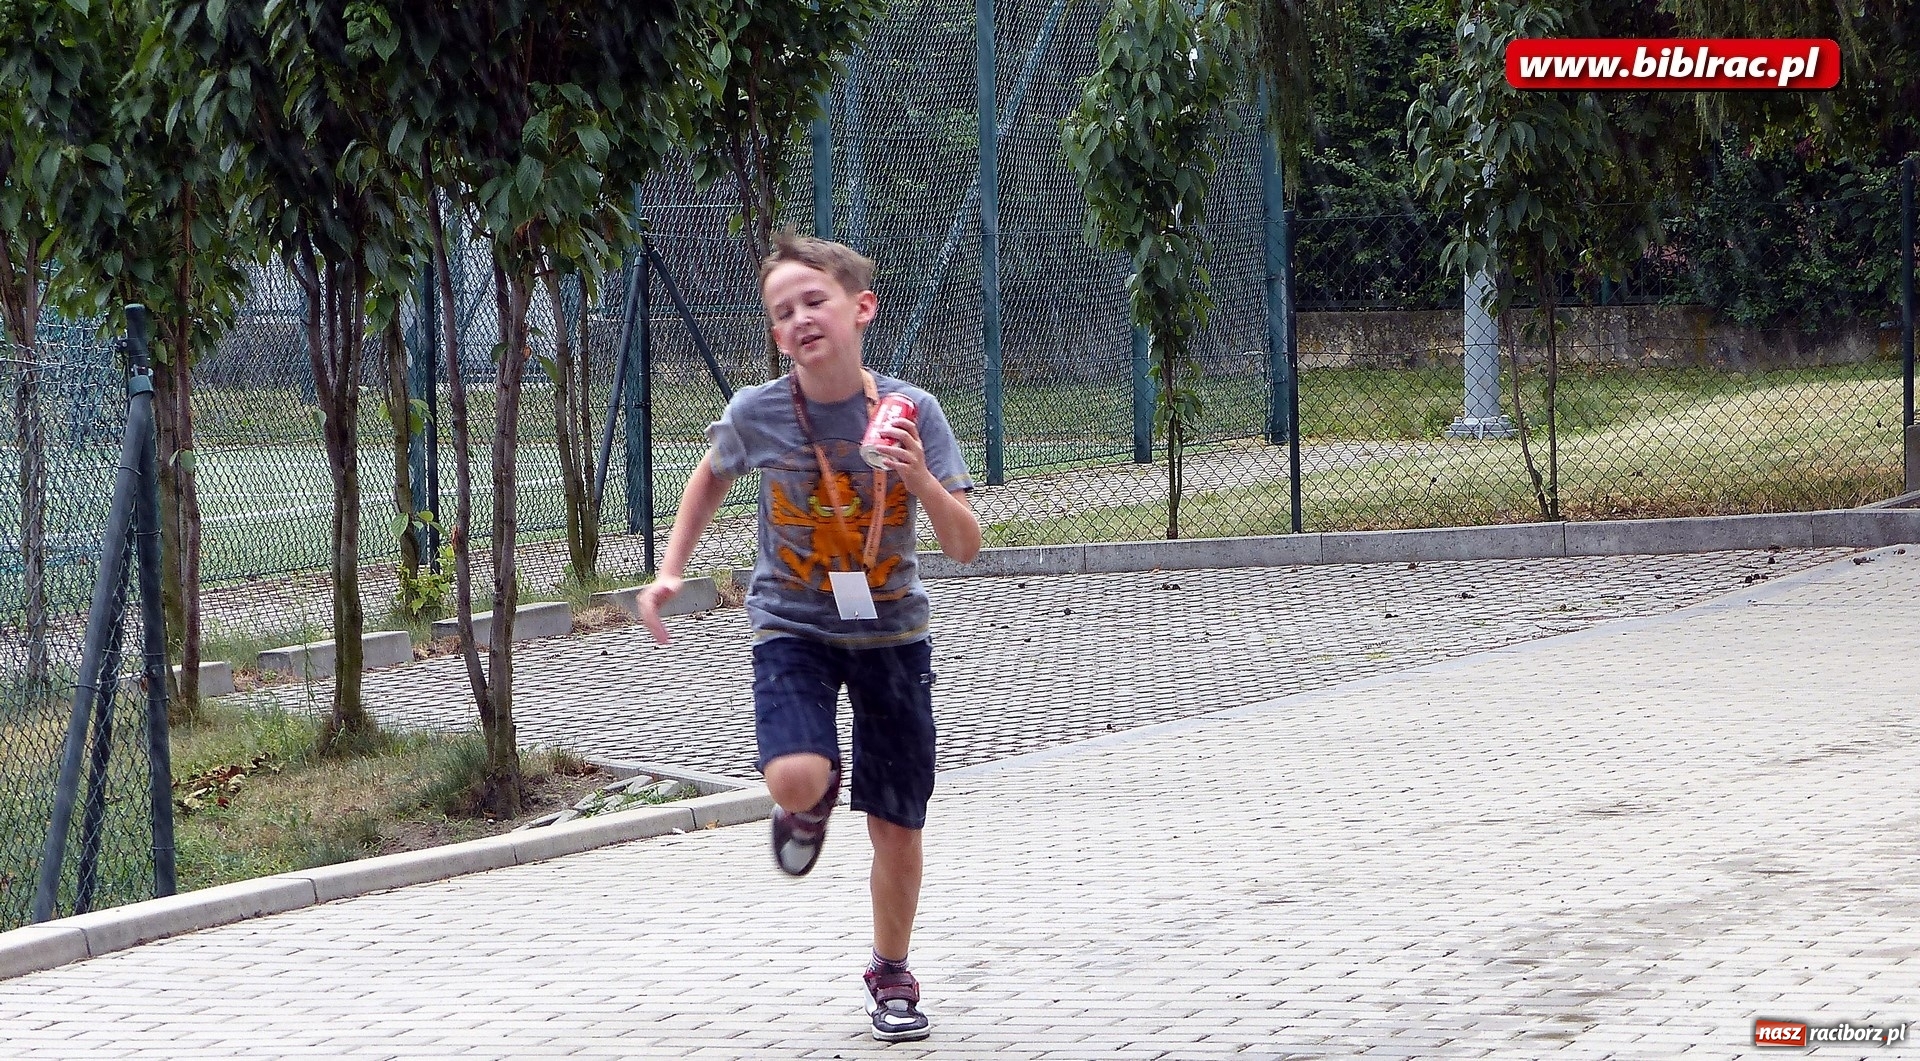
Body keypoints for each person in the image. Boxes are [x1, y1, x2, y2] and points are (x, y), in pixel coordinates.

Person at [638, 231, 981, 1043]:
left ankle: (891, 969)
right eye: (781, 311)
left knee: (898, 822)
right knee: (795, 773)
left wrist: (919, 477)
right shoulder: (758, 411)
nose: (799, 318)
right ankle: (807, 805)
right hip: (792, 624)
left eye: (814, 300)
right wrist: (670, 569)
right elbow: (713, 471)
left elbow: (966, 543)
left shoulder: (914, 411)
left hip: (893, 631)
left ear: (861, 309)